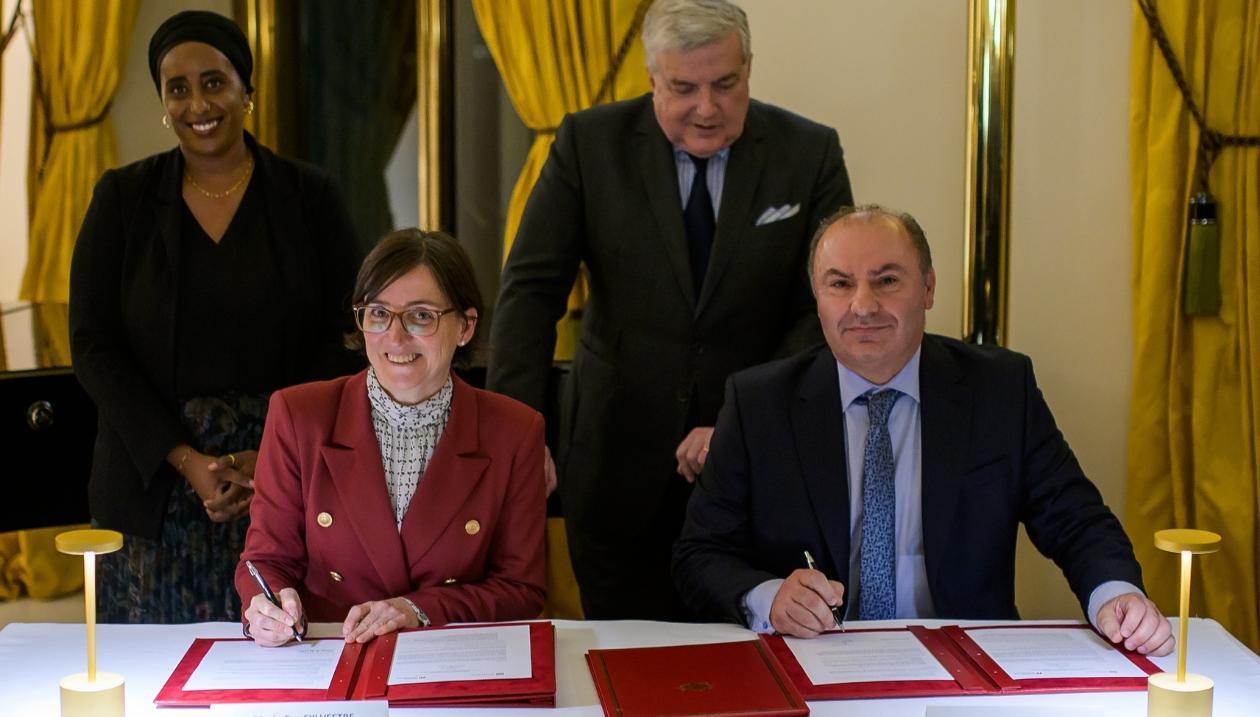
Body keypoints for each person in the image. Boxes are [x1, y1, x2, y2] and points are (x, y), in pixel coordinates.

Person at [487, 0, 853, 620]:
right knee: (621, 660)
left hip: (755, 466)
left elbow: (824, 306)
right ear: (652, 78)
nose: (706, 107)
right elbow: (529, 293)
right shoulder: (589, 143)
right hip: (614, 463)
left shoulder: (808, 152)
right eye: (683, 88)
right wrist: (519, 438)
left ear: (749, 69)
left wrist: (740, 422)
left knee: (746, 664)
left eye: (725, 84)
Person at [673, 205, 1175, 657]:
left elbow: (1076, 520)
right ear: (817, 297)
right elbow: (699, 556)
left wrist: (1116, 594)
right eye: (840, 284)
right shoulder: (759, 402)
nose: (863, 306)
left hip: (965, 666)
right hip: (809, 660)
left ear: (929, 287)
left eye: (887, 280)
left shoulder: (1000, 389)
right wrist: (768, 596)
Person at [69, 10, 360, 623]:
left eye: (214, 82)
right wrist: (186, 460)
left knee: (288, 671)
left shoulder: (311, 198)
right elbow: (93, 345)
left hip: (289, 478)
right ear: (163, 103)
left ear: (246, 91)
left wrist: (271, 454)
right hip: (152, 480)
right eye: (178, 88)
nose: (198, 103)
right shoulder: (121, 199)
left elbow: (347, 339)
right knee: (156, 686)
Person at [237, 229, 546, 647]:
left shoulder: (515, 431)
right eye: (379, 313)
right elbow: (266, 561)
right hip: (325, 657)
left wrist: (419, 608)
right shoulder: (298, 415)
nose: (395, 338)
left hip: (450, 663)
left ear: (466, 327)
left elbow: (521, 590)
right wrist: (266, 605)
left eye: (421, 316)